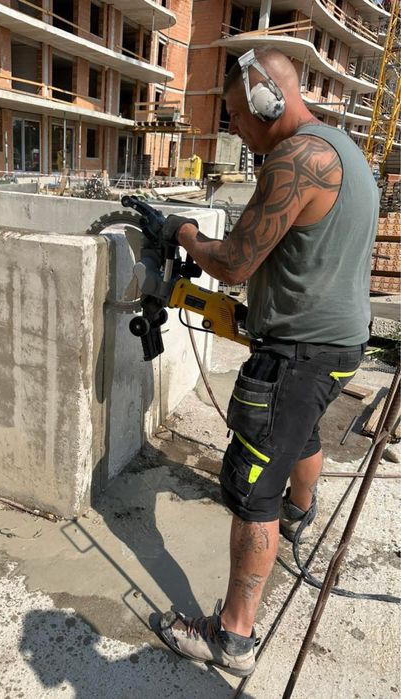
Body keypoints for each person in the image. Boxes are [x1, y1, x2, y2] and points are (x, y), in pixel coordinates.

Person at [155, 47, 378, 677]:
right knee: (301, 435)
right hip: (340, 348)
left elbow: (234, 263)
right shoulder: (343, 147)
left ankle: (232, 637)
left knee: (253, 491)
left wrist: (183, 233)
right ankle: (301, 514)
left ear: (265, 101)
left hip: (297, 355)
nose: (233, 127)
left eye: (235, 114)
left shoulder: (295, 160)